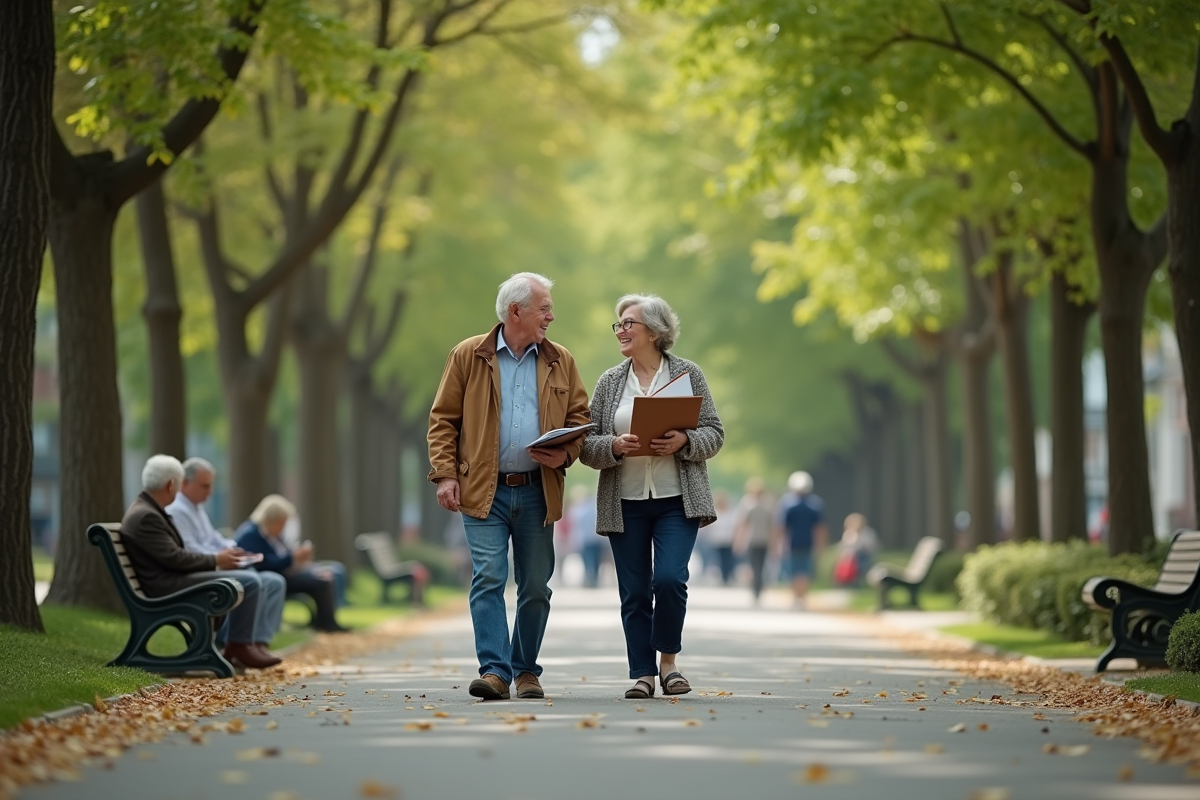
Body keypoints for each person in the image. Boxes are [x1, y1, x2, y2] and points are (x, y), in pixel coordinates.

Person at [427, 272, 590, 701]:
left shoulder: (560, 360)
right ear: (516, 311)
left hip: (538, 489)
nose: (551, 316)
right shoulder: (468, 355)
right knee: (490, 576)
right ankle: (495, 671)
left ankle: (526, 670)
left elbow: (580, 419)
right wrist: (446, 474)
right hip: (484, 490)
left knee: (535, 585)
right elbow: (443, 420)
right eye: (544, 308)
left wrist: (565, 453)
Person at [579, 293, 724, 699]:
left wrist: (685, 440)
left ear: (655, 332)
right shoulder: (610, 382)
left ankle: (669, 664)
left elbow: (714, 432)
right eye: (619, 324)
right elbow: (586, 444)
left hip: (677, 500)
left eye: (629, 324)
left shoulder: (688, 374)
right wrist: (613, 446)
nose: (620, 331)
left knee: (670, 580)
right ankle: (642, 673)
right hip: (624, 503)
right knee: (636, 592)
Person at [120, 455, 282, 669]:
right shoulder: (147, 515)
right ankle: (238, 645)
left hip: (170, 578)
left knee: (249, 579)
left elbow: (175, 555)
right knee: (249, 581)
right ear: (171, 485)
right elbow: (175, 557)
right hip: (165, 585)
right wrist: (216, 560)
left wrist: (223, 557)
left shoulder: (149, 510)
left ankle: (240, 644)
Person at [166, 457, 288, 661]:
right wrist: (220, 559)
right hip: (199, 572)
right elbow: (189, 550)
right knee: (252, 580)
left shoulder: (196, 508)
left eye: (211, 485)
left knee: (274, 581)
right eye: (205, 486)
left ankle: (258, 642)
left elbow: (214, 539)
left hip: (211, 566)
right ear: (185, 483)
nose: (210, 492)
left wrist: (235, 550)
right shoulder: (178, 511)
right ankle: (237, 643)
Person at [235, 494, 349, 633]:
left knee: (328, 573)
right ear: (271, 519)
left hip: (286, 573)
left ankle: (325, 620)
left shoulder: (273, 536)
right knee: (322, 581)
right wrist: (292, 558)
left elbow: (282, 556)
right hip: (274, 576)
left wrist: (300, 561)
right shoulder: (251, 535)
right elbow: (261, 562)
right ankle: (326, 623)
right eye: (282, 522)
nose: (283, 527)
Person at [775, 470, 827, 609]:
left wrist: (778, 544)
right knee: (805, 572)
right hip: (808, 543)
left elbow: (781, 527)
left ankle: (796, 598)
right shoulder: (815, 504)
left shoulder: (787, 504)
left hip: (791, 543)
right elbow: (820, 528)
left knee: (792, 572)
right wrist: (821, 545)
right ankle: (802, 598)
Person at [733, 477, 775, 603]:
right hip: (758, 539)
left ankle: (756, 587)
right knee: (758, 566)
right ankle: (757, 587)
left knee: (756, 566)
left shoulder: (748, 503)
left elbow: (743, 524)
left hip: (757, 539)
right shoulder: (766, 504)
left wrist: (738, 540)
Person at [567, 485, 605, 588]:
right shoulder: (586, 508)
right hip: (588, 539)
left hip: (590, 539)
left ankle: (592, 578)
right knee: (591, 559)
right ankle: (591, 578)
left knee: (592, 559)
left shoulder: (581, 509)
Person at [703, 489, 737, 585]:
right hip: (716, 540)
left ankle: (727, 576)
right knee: (718, 559)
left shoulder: (730, 512)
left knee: (728, 559)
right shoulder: (714, 512)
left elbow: (735, 526)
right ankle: (721, 576)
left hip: (728, 540)